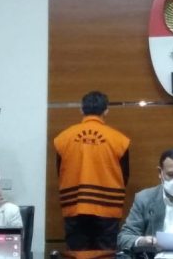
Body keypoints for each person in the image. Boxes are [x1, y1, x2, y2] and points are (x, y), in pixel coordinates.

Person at [54, 91, 131, 251]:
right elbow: (125, 175)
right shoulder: (119, 140)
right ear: (106, 110)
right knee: (105, 253)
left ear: (81, 109)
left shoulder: (63, 138)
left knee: (77, 252)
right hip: (108, 207)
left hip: (74, 205)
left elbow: (59, 171)